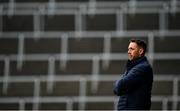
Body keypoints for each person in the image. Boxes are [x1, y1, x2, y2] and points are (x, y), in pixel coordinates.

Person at [113, 39, 153, 110]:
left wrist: (118, 84)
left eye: (131, 49)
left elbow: (120, 86)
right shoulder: (133, 67)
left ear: (140, 51)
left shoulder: (142, 68)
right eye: (128, 49)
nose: (128, 52)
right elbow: (117, 89)